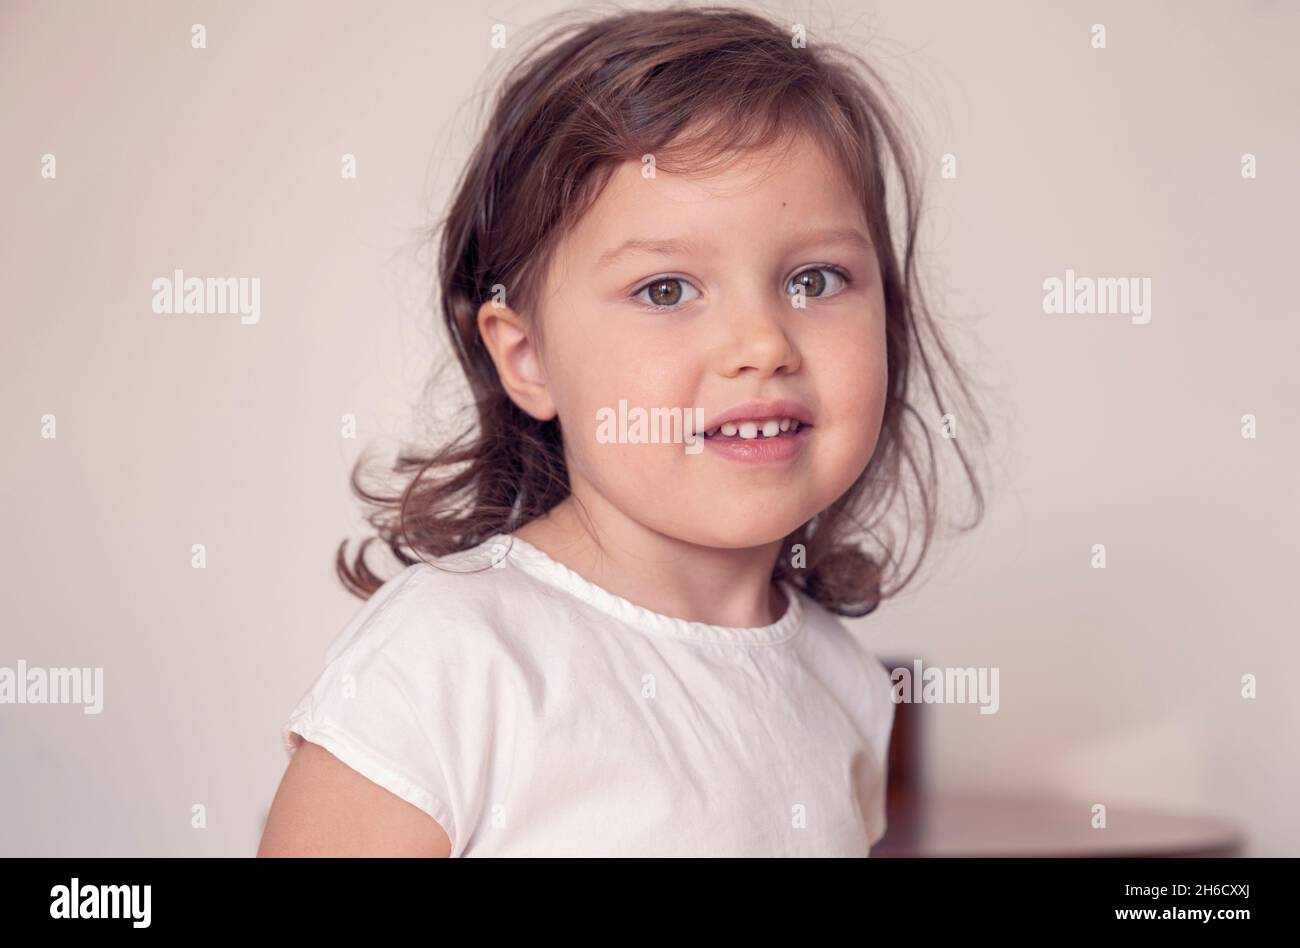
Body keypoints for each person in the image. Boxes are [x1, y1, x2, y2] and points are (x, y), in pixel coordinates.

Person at [259, 3, 986, 857]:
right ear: (528, 358)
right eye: (667, 290)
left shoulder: (845, 686)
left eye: (816, 279)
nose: (762, 344)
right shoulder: (451, 662)